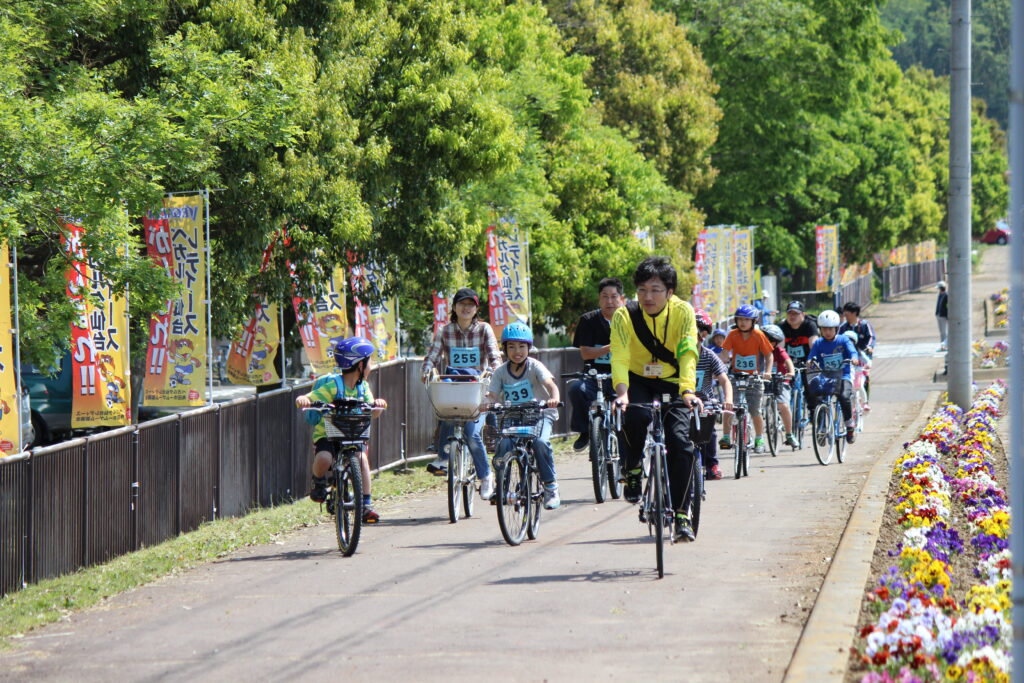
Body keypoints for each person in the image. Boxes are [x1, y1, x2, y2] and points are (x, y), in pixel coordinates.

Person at [609, 256, 702, 543]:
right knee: (634, 416)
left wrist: (687, 390)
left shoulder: (684, 312)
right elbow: (620, 355)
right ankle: (633, 467)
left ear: (670, 292)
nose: (647, 297)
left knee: (681, 443)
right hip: (636, 379)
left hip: (674, 381)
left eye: (655, 290)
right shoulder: (624, 315)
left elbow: (688, 352)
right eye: (642, 290)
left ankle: (682, 513)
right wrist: (621, 392)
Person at [296, 337, 387, 523]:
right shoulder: (333, 385)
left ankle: (366, 504)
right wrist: (303, 399)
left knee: (362, 461)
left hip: (353, 434)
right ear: (360, 365)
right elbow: (311, 397)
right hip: (328, 435)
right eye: (370, 361)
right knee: (324, 459)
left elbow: (373, 412)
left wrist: (378, 405)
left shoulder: (363, 388)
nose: (372, 366)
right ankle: (318, 481)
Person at [421, 288, 501, 499]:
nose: (466, 308)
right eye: (462, 304)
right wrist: (426, 371)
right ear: (454, 307)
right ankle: (443, 457)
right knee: (445, 413)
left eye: (471, 304)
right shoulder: (444, 331)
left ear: (476, 309)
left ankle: (485, 477)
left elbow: (495, 358)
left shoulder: (484, 330)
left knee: (473, 435)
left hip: (478, 391)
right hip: (454, 388)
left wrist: (493, 374)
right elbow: (432, 356)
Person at [485, 322, 563, 510]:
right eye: (511, 346)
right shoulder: (500, 372)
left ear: (529, 348)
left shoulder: (535, 366)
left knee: (540, 443)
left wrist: (553, 398)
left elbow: (551, 385)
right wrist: (488, 402)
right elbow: (492, 394)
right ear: (504, 349)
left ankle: (551, 486)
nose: (516, 351)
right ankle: (501, 487)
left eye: (521, 346)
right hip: (512, 416)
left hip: (540, 414)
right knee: (503, 445)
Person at [568, 277, 626, 450]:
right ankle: (585, 431)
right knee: (576, 389)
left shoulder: (630, 319)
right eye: (604, 296)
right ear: (599, 299)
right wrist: (611, 347)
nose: (609, 301)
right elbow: (585, 353)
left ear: (621, 298)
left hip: (622, 376)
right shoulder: (588, 320)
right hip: (594, 375)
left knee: (635, 404)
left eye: (614, 296)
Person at [720, 305, 774, 453]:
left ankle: (759, 438)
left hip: (754, 378)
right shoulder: (732, 334)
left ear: (753, 321)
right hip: (735, 377)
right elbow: (724, 354)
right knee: (729, 407)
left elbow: (769, 355)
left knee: (755, 410)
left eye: (746, 320)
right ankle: (725, 436)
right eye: (740, 319)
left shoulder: (758, 335)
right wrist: (720, 368)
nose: (743, 323)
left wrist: (767, 372)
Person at [806, 310, 857, 444]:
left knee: (843, 396)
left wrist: (854, 358)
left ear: (836, 328)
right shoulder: (818, 343)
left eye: (830, 329)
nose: (827, 332)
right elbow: (811, 357)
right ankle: (822, 427)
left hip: (843, 375)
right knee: (817, 398)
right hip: (826, 376)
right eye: (824, 329)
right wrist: (810, 362)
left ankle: (849, 424)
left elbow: (852, 351)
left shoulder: (843, 340)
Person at [693, 309, 732, 480]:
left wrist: (728, 400)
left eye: (700, 331)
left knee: (710, 431)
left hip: (705, 402)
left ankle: (712, 464)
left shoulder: (709, 356)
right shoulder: (674, 355)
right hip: (681, 403)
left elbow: (724, 380)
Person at [762, 324, 799, 447]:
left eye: (769, 340)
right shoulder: (758, 351)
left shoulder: (779, 351)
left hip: (781, 381)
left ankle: (789, 434)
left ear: (775, 342)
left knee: (783, 406)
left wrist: (791, 372)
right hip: (763, 382)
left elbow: (788, 362)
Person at [838, 302, 876, 400]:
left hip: (863, 355)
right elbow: (837, 340)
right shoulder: (843, 327)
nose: (845, 316)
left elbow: (871, 337)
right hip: (848, 357)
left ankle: (865, 401)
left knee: (864, 377)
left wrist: (869, 347)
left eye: (847, 313)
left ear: (854, 313)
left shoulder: (864, 324)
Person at [779, 300, 819, 366]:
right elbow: (780, 349)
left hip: (808, 364)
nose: (792, 316)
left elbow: (814, 347)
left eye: (796, 313)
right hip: (789, 365)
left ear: (803, 314)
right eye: (789, 313)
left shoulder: (810, 325)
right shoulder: (782, 327)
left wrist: (811, 360)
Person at [935, 281, 948, 350]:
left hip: (943, 316)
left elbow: (947, 307)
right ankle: (943, 345)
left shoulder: (946, 296)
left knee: (944, 332)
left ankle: (944, 345)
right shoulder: (940, 295)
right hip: (939, 315)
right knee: (942, 332)